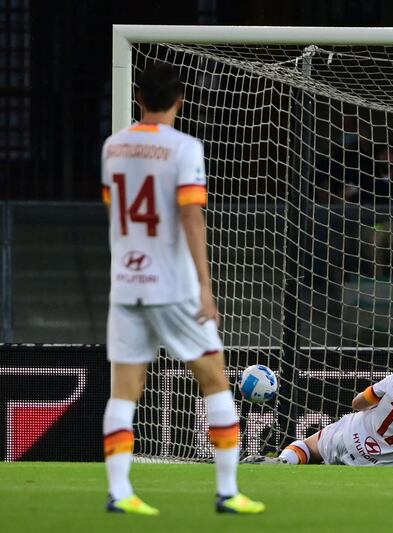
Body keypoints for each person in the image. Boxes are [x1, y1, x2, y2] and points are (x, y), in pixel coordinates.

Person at [101, 62, 264, 515]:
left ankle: (119, 493)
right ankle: (228, 492)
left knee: (124, 390)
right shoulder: (184, 147)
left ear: (138, 100)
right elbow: (191, 216)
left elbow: (115, 209)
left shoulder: (113, 146)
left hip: (125, 282)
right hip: (172, 285)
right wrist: (206, 288)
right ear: (180, 101)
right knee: (215, 379)